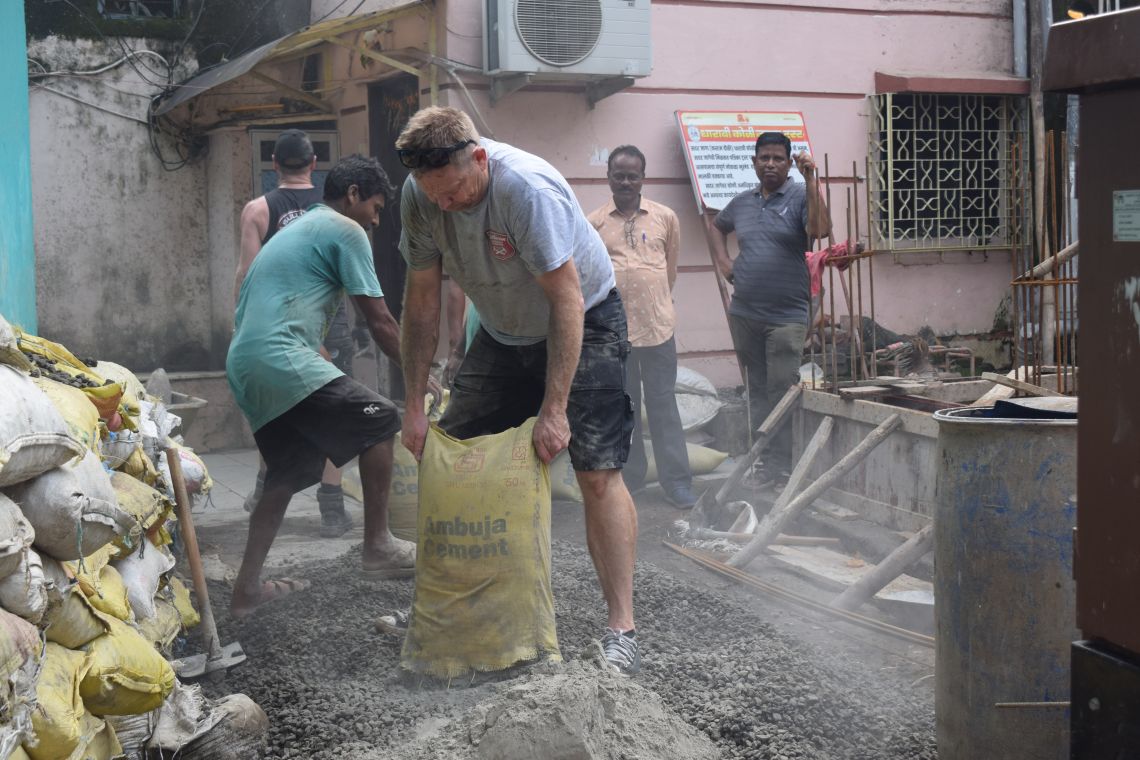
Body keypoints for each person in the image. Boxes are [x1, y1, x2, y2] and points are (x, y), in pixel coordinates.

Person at [395, 106, 642, 676]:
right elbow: (422, 300)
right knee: (451, 449)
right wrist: (412, 405)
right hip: (502, 330)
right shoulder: (420, 195)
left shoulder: (525, 190)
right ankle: (454, 608)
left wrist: (554, 410)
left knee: (596, 470)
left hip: (586, 318)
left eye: (454, 191)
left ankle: (622, 629)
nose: (444, 205)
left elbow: (566, 300)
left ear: (479, 159)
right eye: (433, 195)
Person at [226, 155, 417, 619]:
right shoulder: (344, 229)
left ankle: (246, 591)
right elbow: (380, 320)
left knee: (290, 471)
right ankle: (378, 545)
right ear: (352, 195)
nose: (375, 221)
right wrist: (419, 374)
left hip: (247, 363)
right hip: (279, 356)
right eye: (375, 208)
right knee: (381, 417)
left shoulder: (298, 229)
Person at [233, 129, 356, 536]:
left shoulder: (257, 210)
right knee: (335, 415)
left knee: (272, 409)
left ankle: (264, 490)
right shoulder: (334, 212)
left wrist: (242, 326)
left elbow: (247, 275)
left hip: (275, 328)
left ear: (274, 164)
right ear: (314, 164)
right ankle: (332, 508)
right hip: (329, 327)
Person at [709, 132, 832, 473]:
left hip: (786, 316)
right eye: (764, 158)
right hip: (745, 313)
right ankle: (763, 461)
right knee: (757, 391)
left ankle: (782, 465)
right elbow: (717, 227)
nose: (770, 164)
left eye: (778, 158)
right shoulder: (743, 202)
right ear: (754, 162)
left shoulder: (800, 195)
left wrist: (811, 181)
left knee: (781, 390)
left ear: (789, 163)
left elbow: (820, 229)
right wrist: (724, 263)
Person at [587, 145, 694, 508]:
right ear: (608, 178)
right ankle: (632, 480)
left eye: (632, 176)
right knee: (625, 408)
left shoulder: (665, 218)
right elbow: (591, 277)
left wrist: (654, 301)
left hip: (658, 328)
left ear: (643, 178)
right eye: (619, 176)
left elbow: (670, 271)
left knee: (664, 407)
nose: (626, 182)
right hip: (614, 334)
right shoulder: (594, 223)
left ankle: (676, 483)